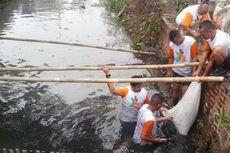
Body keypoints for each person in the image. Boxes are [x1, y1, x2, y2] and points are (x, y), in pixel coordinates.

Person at [102, 67, 150, 137]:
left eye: (141, 86)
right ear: (132, 86)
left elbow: (148, 105)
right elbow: (113, 91)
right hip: (126, 120)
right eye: (138, 87)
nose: (140, 88)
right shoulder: (126, 91)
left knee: (137, 134)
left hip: (137, 119)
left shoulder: (144, 92)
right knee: (126, 136)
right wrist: (108, 74)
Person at [166, 29, 198, 104]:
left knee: (185, 90)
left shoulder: (191, 42)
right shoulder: (172, 44)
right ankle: (174, 105)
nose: (175, 44)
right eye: (173, 42)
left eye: (175, 41)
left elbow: (194, 58)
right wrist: (169, 70)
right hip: (176, 70)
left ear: (179, 37)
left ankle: (182, 107)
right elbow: (171, 57)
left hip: (188, 72)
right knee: (176, 88)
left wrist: (194, 71)